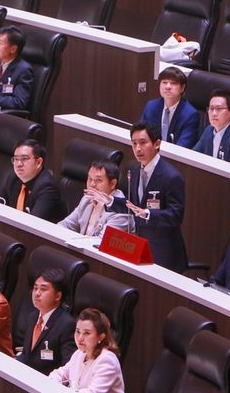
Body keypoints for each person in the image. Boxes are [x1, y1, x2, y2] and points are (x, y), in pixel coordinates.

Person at [116, 121, 188, 272]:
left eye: (143, 142)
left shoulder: (171, 176)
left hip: (164, 253)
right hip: (140, 247)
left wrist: (148, 214)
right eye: (134, 143)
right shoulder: (134, 171)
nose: (138, 148)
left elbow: (176, 215)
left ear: (157, 144)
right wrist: (110, 201)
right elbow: (133, 206)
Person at [49, 308, 124, 393]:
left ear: (101, 337)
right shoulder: (79, 354)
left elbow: (93, 391)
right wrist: (52, 384)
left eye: (86, 333)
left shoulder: (107, 360)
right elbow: (59, 374)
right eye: (77, 331)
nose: (80, 338)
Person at [18, 268, 77, 375]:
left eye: (43, 289)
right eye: (35, 288)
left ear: (58, 296)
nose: (37, 293)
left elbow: (67, 368)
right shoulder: (33, 316)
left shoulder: (67, 325)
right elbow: (26, 355)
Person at [58, 160, 133, 237]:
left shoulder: (122, 211)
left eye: (98, 180)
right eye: (90, 179)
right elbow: (66, 225)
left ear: (113, 183)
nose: (92, 184)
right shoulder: (87, 199)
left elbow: (101, 243)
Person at [7, 139, 66, 222]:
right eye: (16, 159)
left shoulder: (47, 187)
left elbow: (34, 224)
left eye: (24, 159)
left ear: (38, 162)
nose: (18, 164)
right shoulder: (13, 177)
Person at [140, 66, 199, 148]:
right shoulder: (151, 107)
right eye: (164, 82)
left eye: (173, 83)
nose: (168, 87)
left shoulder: (190, 115)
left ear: (182, 88)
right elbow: (140, 135)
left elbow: (183, 146)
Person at [192, 90, 230, 165]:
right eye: (211, 108)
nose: (214, 113)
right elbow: (193, 155)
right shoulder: (209, 130)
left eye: (219, 109)